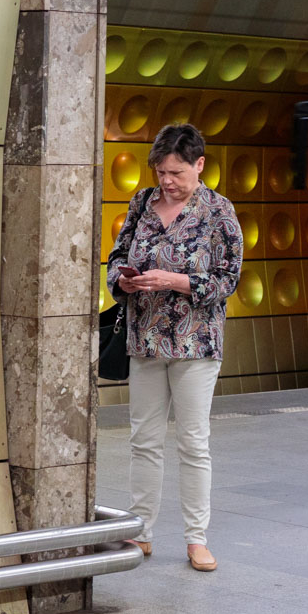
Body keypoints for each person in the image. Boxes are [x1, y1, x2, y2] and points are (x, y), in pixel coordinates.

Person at [106, 124, 242, 571]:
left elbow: (228, 279)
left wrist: (175, 281)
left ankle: (196, 539)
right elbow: (116, 256)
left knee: (192, 442)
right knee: (143, 440)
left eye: (176, 173)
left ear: (199, 165)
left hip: (195, 344)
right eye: (161, 172)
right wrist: (123, 280)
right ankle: (141, 531)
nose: (167, 181)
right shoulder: (141, 203)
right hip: (144, 340)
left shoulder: (219, 211)